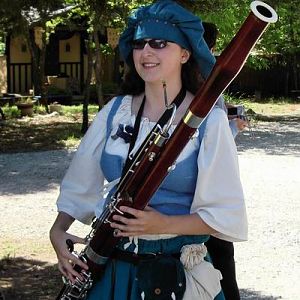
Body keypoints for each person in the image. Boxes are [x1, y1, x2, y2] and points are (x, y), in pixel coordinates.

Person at [50, 1, 247, 299]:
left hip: (176, 273)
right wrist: (58, 230)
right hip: (112, 268)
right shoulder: (115, 112)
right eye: (139, 43)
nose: (146, 52)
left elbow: (225, 214)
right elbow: (80, 185)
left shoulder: (209, 121)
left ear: (185, 53)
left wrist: (163, 223)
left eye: (159, 43)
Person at [203, 21, 248, 300]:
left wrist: (230, 126)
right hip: (208, 194)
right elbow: (215, 145)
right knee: (221, 267)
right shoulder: (211, 80)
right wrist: (232, 128)